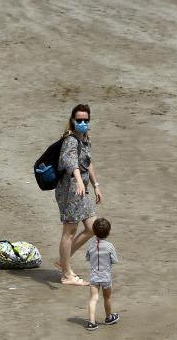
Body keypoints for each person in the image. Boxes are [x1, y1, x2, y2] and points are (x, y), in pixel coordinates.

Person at [54, 104, 103, 286]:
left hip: (82, 189)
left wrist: (96, 185)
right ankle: (67, 274)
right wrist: (79, 180)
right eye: (79, 120)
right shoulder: (70, 140)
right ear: (72, 121)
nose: (82, 123)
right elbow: (70, 162)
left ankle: (62, 261)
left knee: (92, 227)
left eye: (85, 120)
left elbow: (88, 162)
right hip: (70, 189)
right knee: (69, 231)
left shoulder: (85, 139)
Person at [84, 218, 120, 331]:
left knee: (93, 298)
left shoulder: (90, 245)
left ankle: (91, 322)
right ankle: (109, 317)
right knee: (107, 298)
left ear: (94, 231)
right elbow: (114, 260)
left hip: (94, 277)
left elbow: (87, 258)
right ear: (108, 232)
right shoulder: (109, 246)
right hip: (106, 277)